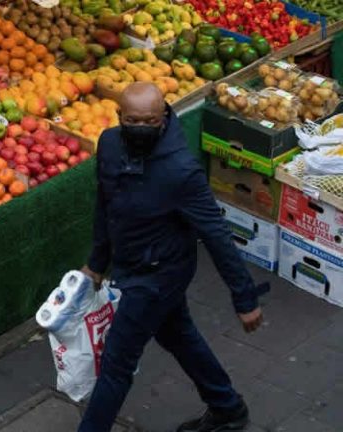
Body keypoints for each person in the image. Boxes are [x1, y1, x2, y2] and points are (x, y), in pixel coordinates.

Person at [77, 82, 267, 432]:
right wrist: (97, 263)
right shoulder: (108, 145)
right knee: (176, 333)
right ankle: (227, 408)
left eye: (149, 121)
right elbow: (106, 204)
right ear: (120, 117)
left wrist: (244, 297)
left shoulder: (181, 170)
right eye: (133, 120)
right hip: (131, 263)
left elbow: (215, 233)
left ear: (164, 118)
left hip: (158, 274)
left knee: (116, 365)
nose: (141, 128)